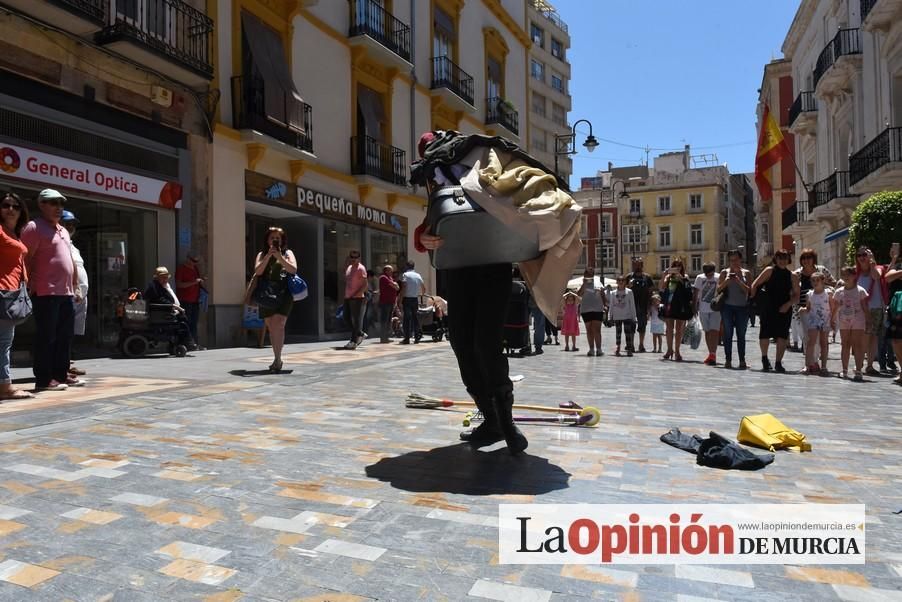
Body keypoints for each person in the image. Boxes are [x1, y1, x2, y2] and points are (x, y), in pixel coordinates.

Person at [21, 189, 82, 391]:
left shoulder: (62, 230)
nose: (58, 207)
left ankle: (61, 374)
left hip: (66, 293)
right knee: (47, 336)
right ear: (41, 205)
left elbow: (70, 261)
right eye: (53, 203)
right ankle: (44, 379)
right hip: (45, 292)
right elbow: (25, 259)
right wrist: (28, 285)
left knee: (65, 337)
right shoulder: (33, 227)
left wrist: (76, 287)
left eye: (61, 203)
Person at [0, 193, 33, 400]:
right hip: (3, 291)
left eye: (16, 206)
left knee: (4, 341)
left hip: (11, 291)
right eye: (5, 205)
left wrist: (25, 281)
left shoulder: (13, 233)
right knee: (4, 342)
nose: (11, 209)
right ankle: (5, 387)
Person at [253, 227, 297, 370]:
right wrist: (268, 257)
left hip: (284, 292)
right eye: (272, 237)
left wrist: (279, 257)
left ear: (282, 240)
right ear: (267, 240)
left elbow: (293, 269)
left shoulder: (288, 253)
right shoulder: (261, 254)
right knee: (271, 326)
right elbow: (258, 271)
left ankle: (278, 359)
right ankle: (276, 357)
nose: (275, 240)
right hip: (266, 293)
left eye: (278, 238)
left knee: (279, 323)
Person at [750, 249, 800, 373]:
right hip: (768, 307)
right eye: (780, 258)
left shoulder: (792, 276)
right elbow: (755, 285)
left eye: (785, 258)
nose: (782, 261)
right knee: (765, 333)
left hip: (784, 308)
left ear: (788, 260)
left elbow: (797, 295)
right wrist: (755, 301)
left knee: (782, 335)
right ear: (775, 259)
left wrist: (788, 305)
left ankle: (778, 362)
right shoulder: (769, 271)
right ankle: (764, 358)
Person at [854, 247, 889, 376]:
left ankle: (869, 365)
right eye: (859, 255)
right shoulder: (855, 272)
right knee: (862, 337)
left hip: (875, 308)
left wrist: (872, 262)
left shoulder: (877, 268)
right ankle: (859, 363)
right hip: (859, 309)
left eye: (865, 255)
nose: (862, 257)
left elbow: (876, 276)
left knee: (873, 337)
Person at [792, 249, 834, 357]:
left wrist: (826, 284)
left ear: (813, 259)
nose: (806, 260)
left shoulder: (822, 270)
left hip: (822, 310)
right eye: (804, 258)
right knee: (806, 336)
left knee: (821, 337)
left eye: (809, 257)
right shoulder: (797, 274)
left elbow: (834, 283)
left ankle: (817, 358)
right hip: (803, 310)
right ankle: (809, 360)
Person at [61, 210, 88, 378]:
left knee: (71, 333)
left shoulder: (73, 246)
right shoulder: (59, 242)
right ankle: (61, 366)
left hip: (80, 296)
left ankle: (67, 363)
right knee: (63, 332)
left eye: (72, 224)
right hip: (68, 294)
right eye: (67, 223)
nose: (70, 227)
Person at [143, 266, 195, 351]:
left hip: (169, 311)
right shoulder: (153, 286)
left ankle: (185, 342)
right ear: (157, 277)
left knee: (183, 321)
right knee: (182, 323)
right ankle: (186, 342)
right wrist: (173, 306)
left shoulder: (164, 285)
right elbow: (159, 299)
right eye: (162, 278)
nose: (165, 280)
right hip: (161, 312)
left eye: (166, 278)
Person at [717, 249, 752, 369]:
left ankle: (742, 360)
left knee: (741, 334)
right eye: (731, 260)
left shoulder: (746, 273)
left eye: (736, 260)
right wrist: (727, 281)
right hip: (727, 307)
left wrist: (738, 280)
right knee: (728, 334)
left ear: (740, 259)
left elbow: (749, 291)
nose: (734, 262)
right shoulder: (723, 272)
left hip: (742, 307)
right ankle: (728, 360)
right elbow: (718, 290)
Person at [833, 266, 869, 381]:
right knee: (845, 344)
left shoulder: (860, 290)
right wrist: (832, 319)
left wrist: (869, 320)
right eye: (843, 275)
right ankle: (844, 370)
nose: (846, 277)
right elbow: (835, 307)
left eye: (848, 275)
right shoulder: (839, 292)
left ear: (854, 276)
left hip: (858, 318)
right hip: (844, 319)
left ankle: (858, 370)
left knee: (857, 344)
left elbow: (864, 306)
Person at [659, 258, 693, 361]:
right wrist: (664, 276)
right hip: (669, 304)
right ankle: (669, 350)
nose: (677, 267)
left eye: (679, 265)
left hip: (681, 305)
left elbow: (688, 291)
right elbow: (662, 288)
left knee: (679, 329)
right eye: (675, 265)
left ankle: (677, 351)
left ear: (682, 267)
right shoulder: (668, 277)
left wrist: (681, 279)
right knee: (669, 328)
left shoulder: (685, 277)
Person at [799, 272, 833, 375]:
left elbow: (832, 307)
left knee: (824, 343)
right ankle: (807, 365)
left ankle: (824, 366)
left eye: (817, 280)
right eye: (813, 280)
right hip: (813, 320)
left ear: (823, 281)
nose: (815, 282)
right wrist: (803, 309)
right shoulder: (809, 294)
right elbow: (808, 308)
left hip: (825, 320)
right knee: (810, 343)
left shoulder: (828, 293)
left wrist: (833, 320)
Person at [693, 261, 721, 365]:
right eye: (706, 274)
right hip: (703, 308)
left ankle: (713, 354)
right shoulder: (700, 278)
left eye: (710, 274)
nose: (708, 276)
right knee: (707, 332)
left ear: (714, 271)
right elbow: (695, 293)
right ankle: (711, 353)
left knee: (714, 331)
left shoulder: (718, 277)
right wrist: (694, 307)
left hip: (715, 309)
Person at [175, 251, 204, 349]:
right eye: (193, 261)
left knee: (194, 323)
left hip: (195, 300)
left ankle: (194, 343)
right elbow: (179, 284)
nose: (195, 263)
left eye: (196, 262)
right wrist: (193, 282)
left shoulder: (195, 269)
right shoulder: (181, 269)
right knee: (186, 323)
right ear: (188, 259)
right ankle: (186, 343)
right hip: (185, 300)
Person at [626, 259, 655, 352]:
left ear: (642, 266)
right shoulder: (629, 277)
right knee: (631, 326)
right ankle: (631, 345)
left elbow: (651, 291)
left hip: (643, 305)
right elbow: (623, 289)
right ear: (633, 266)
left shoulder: (647, 277)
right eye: (635, 265)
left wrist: (650, 306)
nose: (637, 267)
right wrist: (628, 286)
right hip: (631, 305)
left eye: (639, 265)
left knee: (642, 326)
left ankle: (641, 345)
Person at [578, 267, 607, 356]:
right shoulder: (582, 283)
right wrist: (584, 284)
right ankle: (591, 349)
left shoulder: (598, 282)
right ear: (584, 275)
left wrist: (605, 305)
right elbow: (579, 294)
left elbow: (603, 294)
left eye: (591, 274)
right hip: (586, 309)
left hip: (597, 309)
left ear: (593, 275)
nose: (589, 276)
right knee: (589, 330)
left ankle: (599, 349)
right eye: (587, 274)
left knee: (597, 330)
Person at [342, 250, 368, 349]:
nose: (353, 259)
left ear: (359, 258)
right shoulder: (349, 267)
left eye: (355, 257)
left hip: (357, 298)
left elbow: (365, 284)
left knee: (356, 320)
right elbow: (346, 278)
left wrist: (356, 294)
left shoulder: (361, 268)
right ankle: (360, 333)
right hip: (348, 297)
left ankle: (353, 341)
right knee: (345, 317)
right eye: (351, 257)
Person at [884, 246, 902, 385]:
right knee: (896, 340)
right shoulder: (898, 265)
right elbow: (888, 278)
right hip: (897, 308)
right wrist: (894, 259)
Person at [608, 275, 637, 356]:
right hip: (617, 316)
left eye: (622, 280)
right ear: (617, 282)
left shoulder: (629, 292)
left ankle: (629, 348)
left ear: (625, 282)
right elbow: (611, 305)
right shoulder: (613, 293)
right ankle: (618, 347)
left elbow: (632, 305)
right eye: (619, 280)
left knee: (628, 332)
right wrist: (610, 317)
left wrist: (634, 317)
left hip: (627, 315)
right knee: (618, 333)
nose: (621, 282)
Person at [399, 261, 424, 344]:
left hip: (407, 299)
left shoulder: (405, 275)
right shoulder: (418, 275)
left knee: (407, 319)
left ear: (406, 266)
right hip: (415, 299)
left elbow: (404, 287)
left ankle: (407, 338)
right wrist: (421, 294)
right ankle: (417, 338)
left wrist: (400, 299)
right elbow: (423, 287)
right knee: (415, 318)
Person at [378, 265, 399, 343]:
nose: (392, 272)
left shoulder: (390, 278)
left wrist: (395, 285)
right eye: (390, 270)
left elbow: (397, 287)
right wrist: (395, 284)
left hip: (391, 302)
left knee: (388, 320)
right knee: (384, 320)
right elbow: (394, 285)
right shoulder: (383, 277)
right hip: (385, 302)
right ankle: (383, 337)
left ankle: (386, 336)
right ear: (386, 271)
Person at [528, 287, 545, 355]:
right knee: (540, 325)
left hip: (527, 294)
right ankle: (538, 347)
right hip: (539, 298)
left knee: (524, 323)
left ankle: (526, 345)